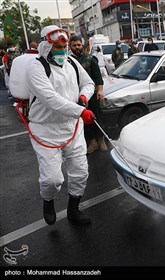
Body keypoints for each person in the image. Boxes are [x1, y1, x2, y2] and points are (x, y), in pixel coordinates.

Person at [26, 25, 95, 226]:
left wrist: (84, 96)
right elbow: (51, 99)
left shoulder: (72, 63)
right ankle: (48, 200)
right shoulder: (36, 67)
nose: (63, 50)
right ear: (46, 46)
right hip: (46, 129)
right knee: (52, 180)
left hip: (72, 126)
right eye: (58, 46)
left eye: (65, 46)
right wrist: (80, 111)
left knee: (81, 172)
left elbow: (89, 82)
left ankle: (74, 209)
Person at [69, 35, 107, 154]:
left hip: (93, 95)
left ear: (82, 45)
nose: (77, 47)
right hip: (78, 97)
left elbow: (98, 77)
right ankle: (92, 142)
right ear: (70, 46)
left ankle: (101, 140)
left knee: (97, 117)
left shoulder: (91, 59)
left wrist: (100, 90)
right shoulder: (68, 61)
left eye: (78, 45)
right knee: (84, 121)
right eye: (74, 45)